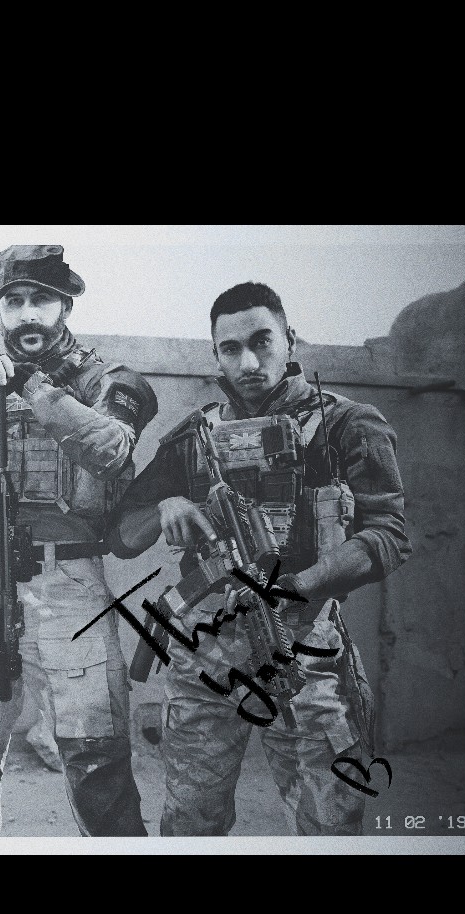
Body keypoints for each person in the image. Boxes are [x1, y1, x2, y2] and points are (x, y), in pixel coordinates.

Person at [108, 282, 411, 835]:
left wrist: (300, 585)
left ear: (290, 339)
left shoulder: (348, 425)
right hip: (207, 655)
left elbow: (388, 535)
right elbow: (124, 535)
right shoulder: (193, 437)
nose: (248, 363)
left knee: (329, 821)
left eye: (262, 342)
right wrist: (168, 506)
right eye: (231, 348)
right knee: (190, 821)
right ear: (216, 355)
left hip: (302, 646)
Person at [0, 244, 156, 836]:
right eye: (13, 302)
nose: (27, 314)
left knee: (97, 770)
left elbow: (112, 451)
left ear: (65, 305)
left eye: (41, 299)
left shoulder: (110, 381)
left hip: (71, 590)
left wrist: (35, 388)